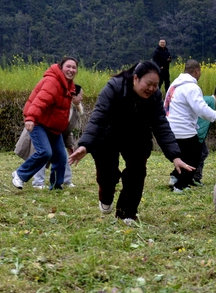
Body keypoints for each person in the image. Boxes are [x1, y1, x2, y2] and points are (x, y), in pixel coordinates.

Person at [68, 61, 192, 224]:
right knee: (108, 176)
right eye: (148, 84)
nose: (152, 89)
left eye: (156, 85)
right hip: (108, 134)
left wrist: (175, 156)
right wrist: (85, 145)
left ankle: (126, 213)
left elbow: (161, 125)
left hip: (137, 136)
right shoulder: (114, 87)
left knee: (137, 172)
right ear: (135, 79)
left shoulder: (154, 96)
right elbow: (99, 117)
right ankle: (106, 196)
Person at [12, 57, 77, 190]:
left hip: (53, 127)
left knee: (60, 157)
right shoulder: (53, 82)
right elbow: (40, 101)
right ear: (60, 67)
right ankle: (20, 174)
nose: (71, 70)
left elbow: (62, 112)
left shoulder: (69, 86)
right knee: (44, 152)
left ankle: (56, 186)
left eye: (74, 67)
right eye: (68, 66)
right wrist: (30, 117)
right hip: (39, 123)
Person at [164, 60, 216, 192]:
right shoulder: (191, 87)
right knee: (195, 156)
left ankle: (177, 179)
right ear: (197, 71)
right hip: (183, 128)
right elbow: (201, 109)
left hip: (170, 126)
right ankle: (179, 185)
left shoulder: (174, 85)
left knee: (185, 156)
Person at [15, 87, 84, 188]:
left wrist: (70, 145)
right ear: (73, 96)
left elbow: (66, 130)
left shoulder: (73, 111)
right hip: (40, 130)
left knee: (63, 156)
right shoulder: (57, 104)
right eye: (81, 95)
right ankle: (36, 182)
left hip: (55, 134)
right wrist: (30, 119)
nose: (82, 98)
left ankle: (65, 181)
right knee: (43, 154)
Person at [170, 84, 216, 187]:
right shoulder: (209, 101)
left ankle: (185, 176)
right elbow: (201, 113)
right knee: (196, 155)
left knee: (195, 155)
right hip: (195, 134)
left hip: (196, 133)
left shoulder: (207, 99)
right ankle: (183, 177)